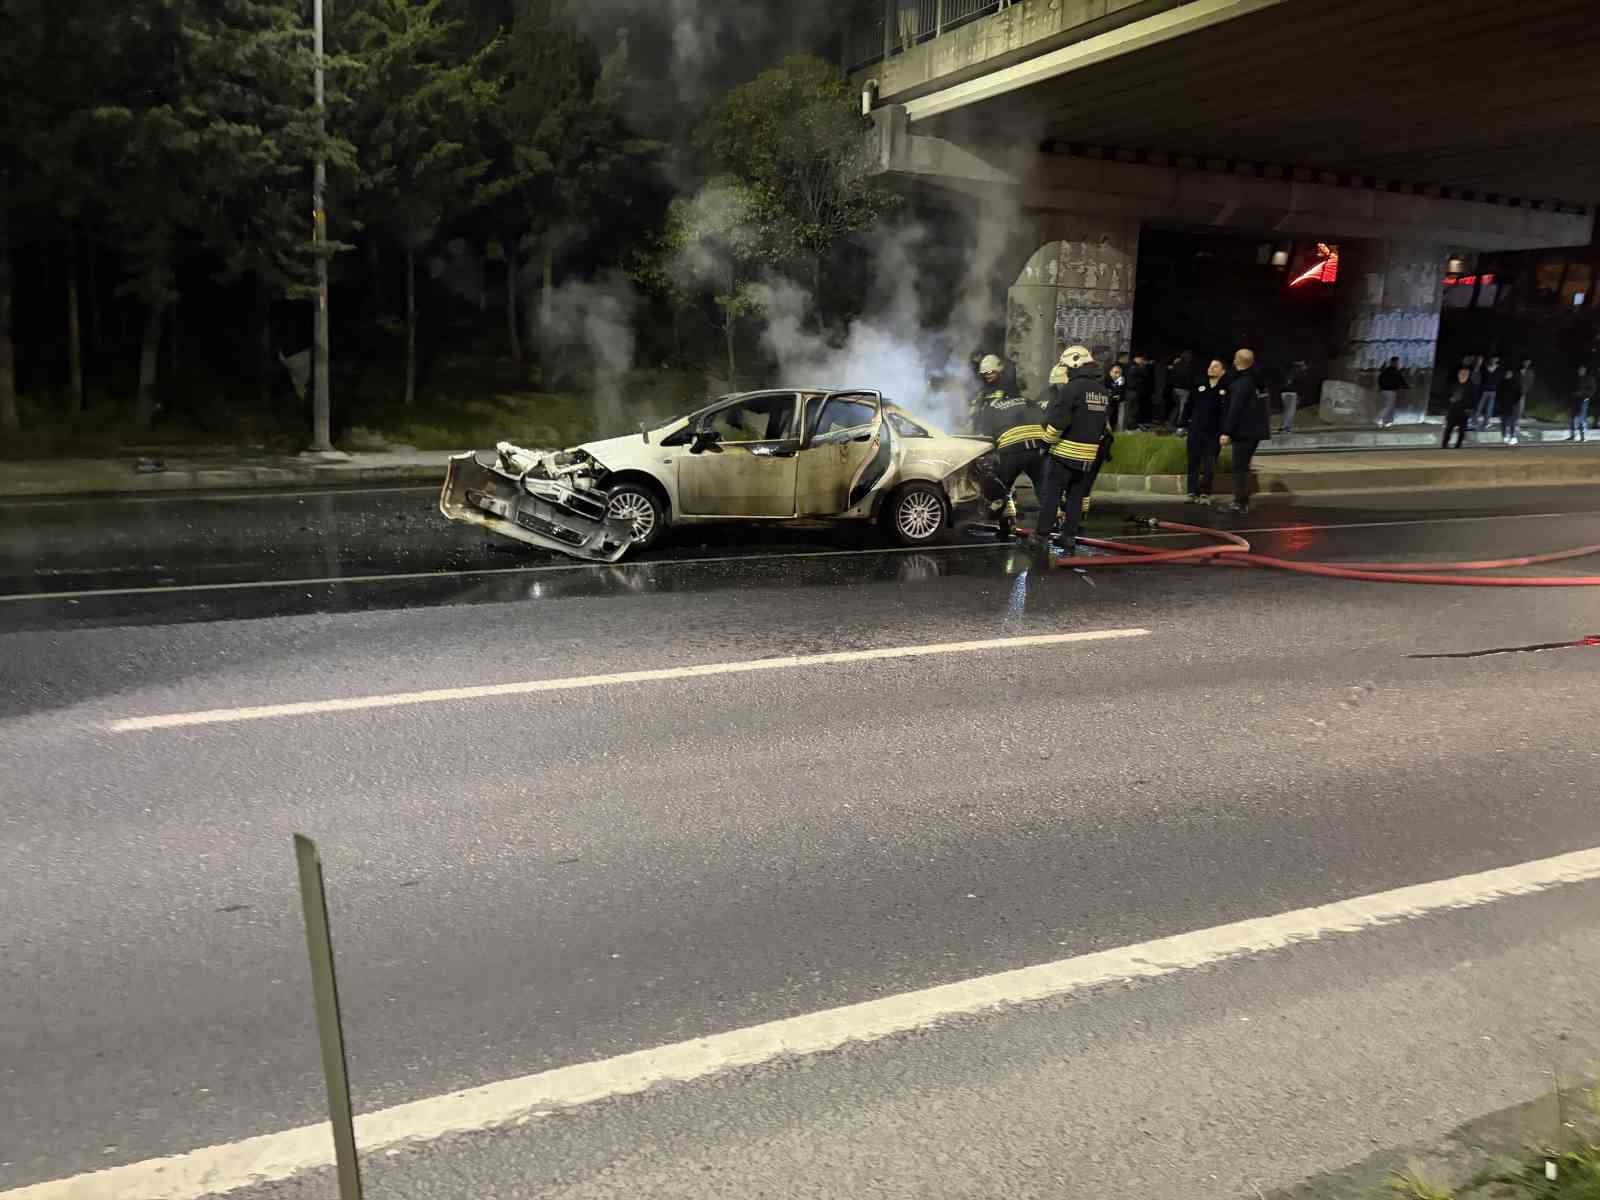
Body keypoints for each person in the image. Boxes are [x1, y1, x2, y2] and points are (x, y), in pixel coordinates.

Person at [1033, 345, 1111, 558]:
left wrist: (1045, 443)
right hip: (1088, 456)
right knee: (1076, 497)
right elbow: (1103, 426)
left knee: (1052, 495)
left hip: (1065, 454)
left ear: (1074, 364)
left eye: (1066, 367)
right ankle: (1068, 536)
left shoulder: (1072, 389)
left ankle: (1041, 535)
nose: (1065, 371)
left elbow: (1059, 422)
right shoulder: (1102, 392)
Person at [973, 365, 1050, 538]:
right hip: (1038, 448)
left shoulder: (992, 409)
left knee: (1003, 487)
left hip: (1012, 450)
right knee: (1044, 488)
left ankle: (1006, 522)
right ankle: (1050, 525)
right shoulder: (1029, 401)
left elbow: (985, 436)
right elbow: (1046, 421)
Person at [1218, 347, 1270, 514]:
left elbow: (1235, 409)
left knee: (1239, 467)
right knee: (1243, 466)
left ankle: (1239, 502)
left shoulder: (1242, 383)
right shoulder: (1256, 380)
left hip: (1244, 431)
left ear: (1236, 361)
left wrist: (1227, 432)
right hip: (1255, 431)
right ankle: (1242, 500)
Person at [1185, 358, 1228, 503]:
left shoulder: (1225, 389)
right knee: (1193, 461)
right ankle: (1191, 491)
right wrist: (1183, 424)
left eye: (1215, 367)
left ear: (1222, 371)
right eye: (1210, 366)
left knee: (1209, 463)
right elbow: (1189, 405)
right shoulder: (1199, 385)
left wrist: (1225, 432)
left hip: (1213, 433)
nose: (1211, 368)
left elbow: (1226, 413)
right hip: (1196, 430)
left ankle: (1205, 492)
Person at [1442, 367, 1473, 449]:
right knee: (1448, 429)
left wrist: (1469, 409)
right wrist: (1449, 402)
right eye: (1462, 374)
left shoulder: (1471, 386)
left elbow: (1473, 398)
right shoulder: (1453, 384)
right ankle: (1444, 445)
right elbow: (1446, 395)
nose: (1463, 375)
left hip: (1463, 411)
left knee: (1462, 430)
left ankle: (1458, 445)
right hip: (1452, 410)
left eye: (1465, 374)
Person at [1376, 357, 1406, 427]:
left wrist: (1381, 387)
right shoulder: (1393, 371)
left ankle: (1386, 422)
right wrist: (1406, 387)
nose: (1398, 364)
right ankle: (1379, 419)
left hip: (1385, 390)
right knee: (1389, 406)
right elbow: (1400, 379)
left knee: (1389, 406)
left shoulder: (1387, 370)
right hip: (1390, 390)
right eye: (1397, 362)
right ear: (1394, 362)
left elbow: (1380, 379)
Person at [1498, 362, 1523, 445]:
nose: (1508, 374)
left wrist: (1515, 402)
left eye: (1509, 373)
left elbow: (1519, 393)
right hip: (1504, 405)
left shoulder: (1515, 383)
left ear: (1512, 374)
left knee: (1512, 421)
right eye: (1507, 373)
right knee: (1504, 421)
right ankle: (1504, 436)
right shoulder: (1502, 383)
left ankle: (1512, 436)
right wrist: (1500, 403)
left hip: (1512, 405)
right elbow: (1499, 394)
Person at [1474, 355, 1501, 430]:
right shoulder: (1485, 368)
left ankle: (1486, 422)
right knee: (1479, 406)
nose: (1493, 360)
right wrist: (1479, 365)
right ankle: (1475, 421)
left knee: (1489, 408)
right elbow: (1478, 373)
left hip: (1493, 392)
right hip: (1484, 391)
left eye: (1495, 359)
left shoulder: (1498, 369)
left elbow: (1499, 380)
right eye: (1492, 359)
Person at [1279, 360, 1306, 434]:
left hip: (1284, 392)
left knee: (1287, 410)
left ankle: (1285, 426)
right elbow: (1300, 384)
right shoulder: (1297, 372)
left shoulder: (1286, 371)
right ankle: (1287, 428)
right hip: (1292, 393)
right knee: (1291, 411)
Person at [1570, 365, 1595, 443]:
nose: (1580, 371)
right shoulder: (1576, 379)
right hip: (1575, 400)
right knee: (1573, 417)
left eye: (1582, 370)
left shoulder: (1589, 379)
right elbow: (1571, 389)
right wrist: (1574, 394)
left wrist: (1585, 395)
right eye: (1579, 370)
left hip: (1584, 400)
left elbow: (1592, 389)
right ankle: (1573, 435)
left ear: (1585, 370)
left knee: (1581, 417)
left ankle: (1583, 436)